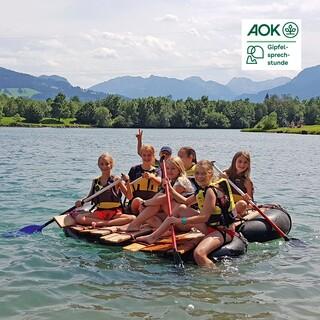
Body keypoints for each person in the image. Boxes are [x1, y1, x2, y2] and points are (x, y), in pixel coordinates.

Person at [136, 160, 237, 268]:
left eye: (203, 174)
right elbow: (186, 202)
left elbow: (204, 217)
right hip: (211, 226)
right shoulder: (202, 190)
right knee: (181, 208)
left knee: (199, 254)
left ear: (210, 174)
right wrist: (170, 189)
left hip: (222, 230)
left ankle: (215, 277)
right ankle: (153, 237)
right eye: (197, 173)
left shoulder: (210, 192)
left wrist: (180, 221)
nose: (199, 177)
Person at [122, 157, 194, 231]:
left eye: (173, 168)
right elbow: (157, 197)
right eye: (168, 168)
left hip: (184, 221)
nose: (169, 171)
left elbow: (167, 198)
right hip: (174, 217)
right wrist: (145, 204)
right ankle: (162, 229)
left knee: (158, 201)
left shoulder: (181, 181)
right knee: (147, 209)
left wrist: (145, 203)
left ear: (179, 169)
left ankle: (135, 224)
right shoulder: (170, 181)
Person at [74, 153, 135, 227]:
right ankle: (107, 222)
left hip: (115, 212)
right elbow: (90, 197)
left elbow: (129, 197)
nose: (104, 166)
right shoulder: (95, 181)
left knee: (132, 218)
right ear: (98, 165)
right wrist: (81, 201)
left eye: (107, 164)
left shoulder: (117, 180)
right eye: (101, 164)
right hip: (100, 212)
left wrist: (127, 182)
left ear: (111, 165)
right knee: (79, 218)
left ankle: (102, 223)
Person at [128, 144, 162, 214]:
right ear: (141, 156)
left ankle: (143, 219)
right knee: (138, 200)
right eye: (144, 155)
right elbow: (128, 188)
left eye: (149, 155)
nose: (146, 157)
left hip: (150, 203)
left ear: (153, 156)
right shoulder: (134, 169)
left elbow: (160, 181)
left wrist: (152, 177)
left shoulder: (157, 171)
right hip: (135, 203)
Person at [223, 151, 254, 217]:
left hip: (239, 205)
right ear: (234, 162)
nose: (242, 165)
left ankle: (232, 215)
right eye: (240, 161)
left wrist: (247, 199)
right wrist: (221, 177)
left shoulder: (247, 182)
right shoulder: (225, 174)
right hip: (226, 203)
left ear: (248, 164)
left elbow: (249, 202)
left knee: (242, 204)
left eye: (245, 162)